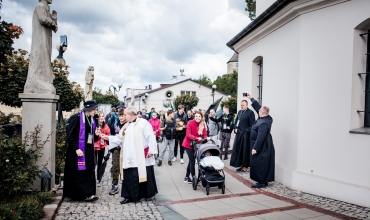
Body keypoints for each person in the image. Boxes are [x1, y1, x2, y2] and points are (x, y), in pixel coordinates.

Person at [109, 107, 158, 204]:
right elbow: (119, 138)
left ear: (131, 115)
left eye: (125, 114)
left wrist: (151, 150)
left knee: (144, 173)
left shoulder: (143, 123)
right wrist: (107, 137)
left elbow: (150, 137)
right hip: (129, 156)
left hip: (141, 156)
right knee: (129, 175)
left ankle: (146, 194)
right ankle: (129, 196)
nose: (124, 116)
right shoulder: (126, 126)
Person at [64, 100, 100, 201]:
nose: (96, 111)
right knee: (79, 172)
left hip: (88, 151)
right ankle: (79, 195)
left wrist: (96, 135)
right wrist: (76, 148)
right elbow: (70, 135)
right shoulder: (76, 118)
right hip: (77, 151)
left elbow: (92, 137)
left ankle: (89, 193)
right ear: (89, 110)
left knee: (89, 171)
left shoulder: (92, 119)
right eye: (94, 109)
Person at [246, 94, 275, 188]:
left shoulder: (264, 122)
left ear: (262, 113)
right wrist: (251, 99)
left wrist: (255, 148)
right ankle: (263, 180)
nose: (258, 111)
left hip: (262, 146)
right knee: (261, 162)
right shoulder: (266, 117)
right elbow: (258, 107)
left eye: (259, 111)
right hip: (262, 145)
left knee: (260, 163)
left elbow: (260, 137)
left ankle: (261, 182)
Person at [182, 111, 209, 184]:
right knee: (192, 161)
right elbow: (188, 134)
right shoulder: (190, 122)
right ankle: (194, 178)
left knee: (191, 161)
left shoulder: (202, 124)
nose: (198, 118)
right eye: (196, 116)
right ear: (194, 116)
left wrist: (206, 138)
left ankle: (186, 177)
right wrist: (196, 138)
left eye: (199, 116)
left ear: (201, 117)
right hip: (188, 145)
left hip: (197, 146)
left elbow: (204, 134)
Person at [230, 100, 256, 172]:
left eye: (243, 105)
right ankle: (241, 165)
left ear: (247, 105)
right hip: (238, 134)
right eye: (241, 105)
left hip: (245, 136)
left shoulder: (250, 113)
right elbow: (236, 122)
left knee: (244, 151)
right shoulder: (239, 112)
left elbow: (252, 125)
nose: (242, 106)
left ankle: (245, 166)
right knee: (239, 150)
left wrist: (246, 131)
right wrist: (235, 128)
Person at [108, 108, 126, 195]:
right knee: (115, 166)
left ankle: (125, 183)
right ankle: (114, 185)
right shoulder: (116, 124)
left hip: (125, 148)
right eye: (120, 116)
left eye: (123, 116)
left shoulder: (128, 125)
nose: (121, 118)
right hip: (116, 148)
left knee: (125, 167)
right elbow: (112, 134)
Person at [94, 111, 110, 187]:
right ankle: (91, 178)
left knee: (100, 162)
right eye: (100, 116)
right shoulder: (94, 125)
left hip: (102, 146)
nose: (101, 118)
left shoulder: (106, 126)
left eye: (102, 116)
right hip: (94, 146)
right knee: (93, 163)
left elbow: (108, 135)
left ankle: (98, 179)